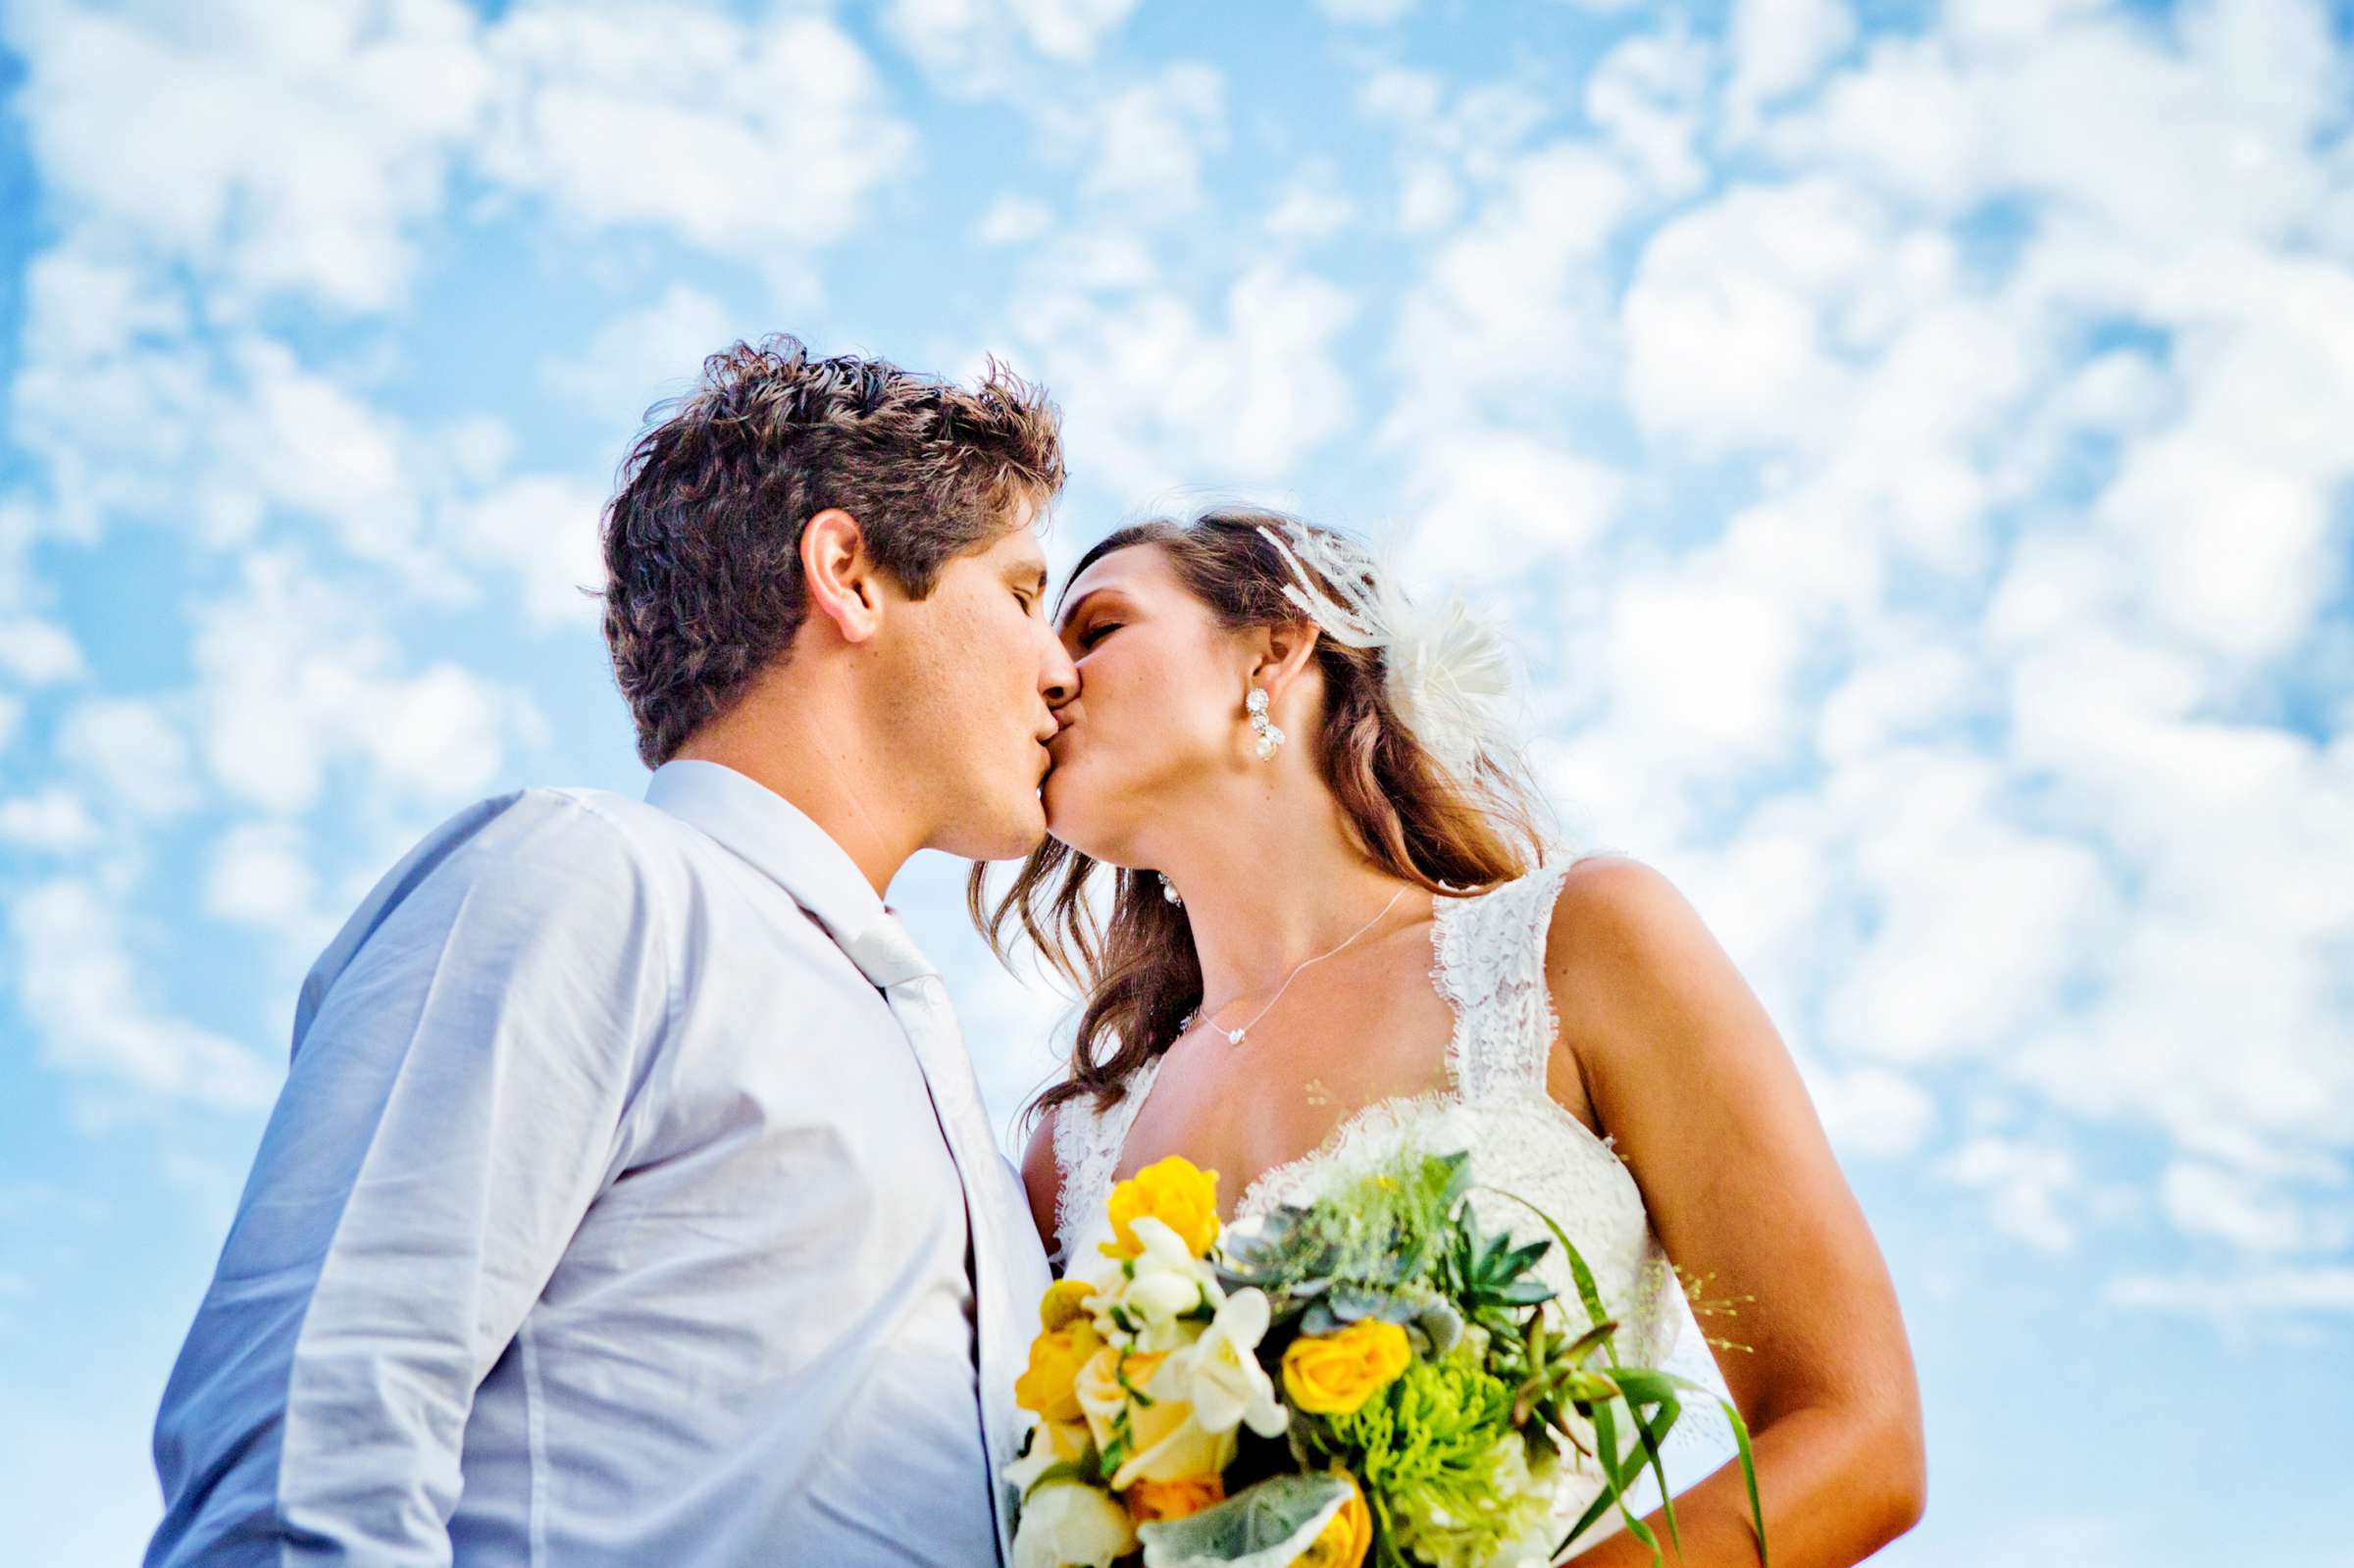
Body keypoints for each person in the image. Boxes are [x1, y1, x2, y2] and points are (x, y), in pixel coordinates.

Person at [146, 336, 1074, 1566]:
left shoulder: (949, 1082)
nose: (1060, 669)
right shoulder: (580, 883)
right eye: (1019, 595)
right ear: (847, 573)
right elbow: (307, 1448)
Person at [984, 510, 1926, 1566]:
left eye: (1096, 628)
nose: (1047, 676)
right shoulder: (1068, 1155)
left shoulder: (1578, 946)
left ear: (1275, 645)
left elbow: (1855, 1434)